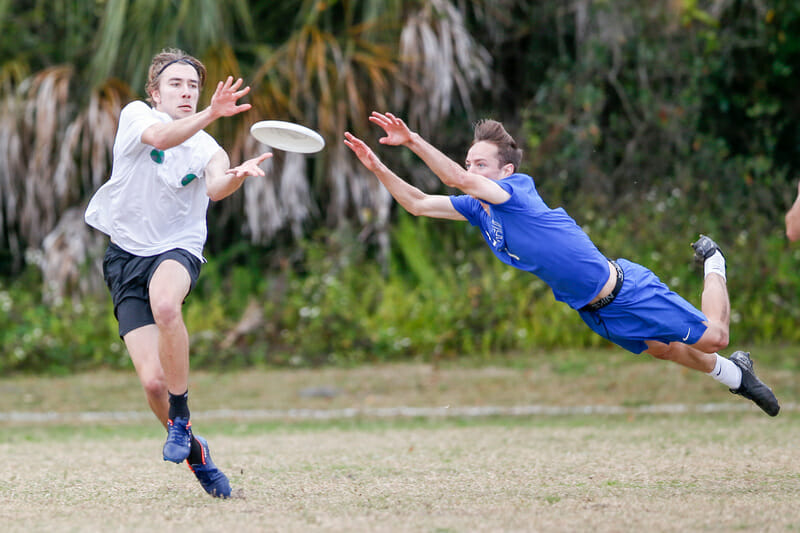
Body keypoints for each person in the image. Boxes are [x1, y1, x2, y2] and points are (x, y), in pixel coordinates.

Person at [344, 112, 780, 417]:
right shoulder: (479, 209)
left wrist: (413, 140)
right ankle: (735, 375)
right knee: (671, 351)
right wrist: (377, 165)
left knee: (714, 337)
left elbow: (454, 180)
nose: (470, 169)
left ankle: (715, 262)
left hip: (627, 290)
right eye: (469, 162)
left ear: (505, 170)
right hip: (595, 312)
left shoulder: (514, 192)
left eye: (480, 164)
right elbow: (418, 203)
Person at [85, 48, 272, 498]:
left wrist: (238, 176)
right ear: (155, 93)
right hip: (125, 256)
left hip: (177, 248)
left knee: (166, 304)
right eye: (176, 85)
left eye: (193, 86)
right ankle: (196, 452)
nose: (186, 92)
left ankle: (182, 415)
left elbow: (215, 185)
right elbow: (163, 139)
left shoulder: (209, 147)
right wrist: (211, 112)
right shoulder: (136, 116)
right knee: (152, 383)